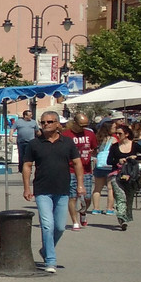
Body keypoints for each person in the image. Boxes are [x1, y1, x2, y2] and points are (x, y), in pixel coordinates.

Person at [21, 111, 81, 273]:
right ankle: (50, 260)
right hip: (42, 190)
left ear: (57, 124)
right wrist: (27, 187)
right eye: (43, 122)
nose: (46, 125)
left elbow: (77, 163)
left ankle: (46, 250)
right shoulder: (35, 144)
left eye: (49, 122)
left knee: (60, 227)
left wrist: (80, 184)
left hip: (62, 189)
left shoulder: (67, 143)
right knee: (47, 225)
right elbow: (27, 166)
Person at [107, 120, 141, 231]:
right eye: (116, 133)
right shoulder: (114, 147)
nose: (117, 135)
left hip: (131, 175)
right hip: (117, 175)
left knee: (129, 198)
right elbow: (109, 161)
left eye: (119, 133)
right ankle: (122, 219)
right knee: (120, 197)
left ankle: (126, 216)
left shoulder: (134, 146)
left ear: (126, 134)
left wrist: (136, 157)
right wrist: (118, 160)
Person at [68, 115, 96, 229]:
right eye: (82, 125)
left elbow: (94, 148)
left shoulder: (90, 134)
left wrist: (91, 153)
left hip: (86, 170)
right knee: (72, 197)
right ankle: (75, 221)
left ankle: (83, 212)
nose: (84, 128)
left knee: (88, 197)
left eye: (86, 125)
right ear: (75, 123)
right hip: (70, 170)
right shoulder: (67, 135)